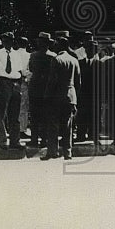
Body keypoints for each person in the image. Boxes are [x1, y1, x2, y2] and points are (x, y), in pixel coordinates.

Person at [42, 31, 81, 160]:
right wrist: (75, 97)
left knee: (53, 125)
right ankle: (68, 152)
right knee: (67, 126)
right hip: (70, 96)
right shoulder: (74, 60)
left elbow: (52, 81)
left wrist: (47, 96)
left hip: (56, 97)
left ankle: (52, 151)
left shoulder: (56, 59)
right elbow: (78, 82)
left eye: (56, 44)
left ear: (60, 46)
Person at [0, 32, 25, 150]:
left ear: (12, 41)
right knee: (2, 113)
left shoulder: (16, 54)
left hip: (15, 83)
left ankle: (15, 141)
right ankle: (3, 141)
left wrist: (18, 84)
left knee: (14, 114)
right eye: (4, 41)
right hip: (3, 82)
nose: (7, 43)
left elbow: (20, 71)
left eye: (9, 41)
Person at [27, 32, 55, 149]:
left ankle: (34, 139)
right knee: (45, 116)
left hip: (35, 88)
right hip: (46, 89)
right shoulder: (53, 56)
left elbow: (31, 69)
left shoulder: (33, 55)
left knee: (35, 116)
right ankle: (44, 139)